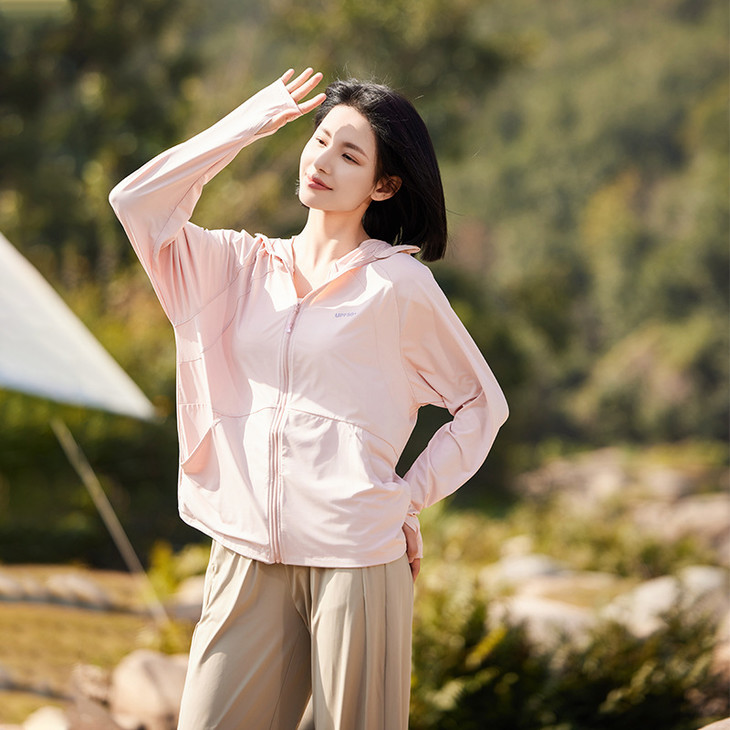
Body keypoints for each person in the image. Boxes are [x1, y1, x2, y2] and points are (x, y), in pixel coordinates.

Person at [109, 67, 508, 730]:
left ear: (383, 185)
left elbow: (480, 405)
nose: (322, 161)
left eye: (349, 154)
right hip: (245, 553)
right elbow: (136, 203)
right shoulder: (235, 267)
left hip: (356, 557)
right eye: (319, 140)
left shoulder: (397, 286)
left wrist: (407, 496)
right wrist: (251, 123)